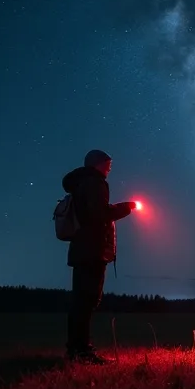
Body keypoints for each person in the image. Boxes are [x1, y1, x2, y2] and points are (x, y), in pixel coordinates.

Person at [61, 149, 136, 364]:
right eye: (107, 163)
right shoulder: (95, 183)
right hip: (92, 250)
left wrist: (118, 208)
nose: (110, 167)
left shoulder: (82, 183)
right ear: (97, 164)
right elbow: (98, 215)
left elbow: (93, 211)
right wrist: (124, 210)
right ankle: (82, 352)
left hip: (81, 250)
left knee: (81, 301)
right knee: (87, 300)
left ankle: (76, 349)